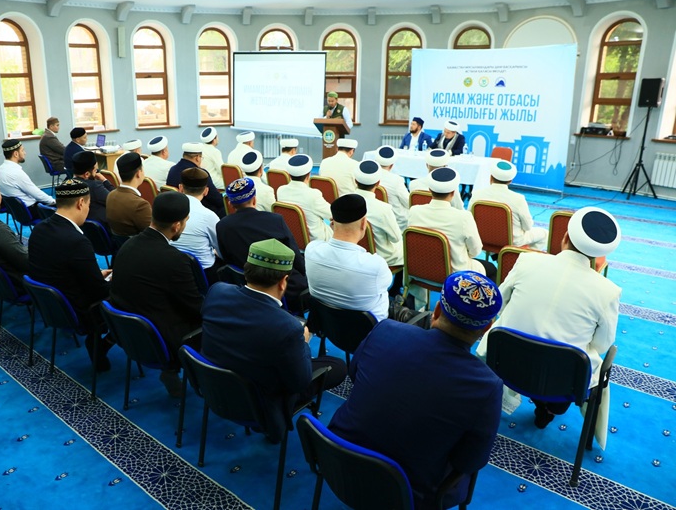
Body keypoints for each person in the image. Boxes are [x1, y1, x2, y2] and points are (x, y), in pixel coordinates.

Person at [329, 271, 504, 510]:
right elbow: (470, 461)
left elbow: (354, 373)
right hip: (408, 495)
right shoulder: (487, 386)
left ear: (437, 310)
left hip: (335, 458)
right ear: (487, 328)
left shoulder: (384, 330)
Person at [476, 207, 622, 429]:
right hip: (562, 382)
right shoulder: (608, 291)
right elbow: (602, 345)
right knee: (575, 364)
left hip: (505, 363)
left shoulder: (526, 261)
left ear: (565, 237)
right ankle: (550, 407)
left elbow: (499, 303)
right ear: (600, 256)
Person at [201, 239, 347, 443]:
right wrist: (303, 343)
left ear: (247, 271)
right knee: (338, 366)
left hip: (215, 388)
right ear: (283, 281)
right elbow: (300, 382)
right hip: (262, 405)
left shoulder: (217, 291)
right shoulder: (287, 328)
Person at [110, 192, 204, 396]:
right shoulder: (175, 260)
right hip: (162, 338)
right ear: (177, 226)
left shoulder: (128, 245)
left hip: (129, 332)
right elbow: (195, 308)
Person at [28, 178, 113, 371]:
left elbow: (58, 269)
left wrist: (95, 274)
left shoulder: (40, 229)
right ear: (81, 203)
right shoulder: (77, 241)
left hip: (53, 306)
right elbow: (99, 292)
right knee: (132, 294)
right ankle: (104, 343)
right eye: (89, 205)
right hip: (81, 311)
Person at [217, 178, 309, 311]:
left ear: (230, 203)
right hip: (282, 286)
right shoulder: (275, 220)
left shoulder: (222, 226)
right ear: (254, 199)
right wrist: (304, 275)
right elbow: (295, 256)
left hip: (246, 284)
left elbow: (227, 257)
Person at [305, 194, 393, 321]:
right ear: (364, 223)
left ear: (332, 223)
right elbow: (386, 284)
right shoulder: (375, 266)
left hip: (328, 325)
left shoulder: (311, 251)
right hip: (373, 330)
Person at [407, 167, 493, 278]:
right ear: (453, 192)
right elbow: (475, 251)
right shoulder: (463, 217)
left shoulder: (414, 211)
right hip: (454, 278)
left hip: (420, 272)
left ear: (430, 190)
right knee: (490, 269)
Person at [468, 160, 548, 250]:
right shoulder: (518, 199)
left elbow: (469, 219)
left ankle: (496, 255)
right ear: (510, 181)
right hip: (512, 242)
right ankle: (519, 257)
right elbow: (527, 226)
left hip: (482, 238)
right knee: (545, 234)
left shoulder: (477, 194)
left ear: (491, 177)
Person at [171, 167, 222, 283]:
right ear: (206, 191)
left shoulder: (169, 210)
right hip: (203, 274)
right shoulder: (210, 216)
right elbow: (221, 250)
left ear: (180, 188)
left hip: (171, 269)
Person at [352, 161, 403, 267]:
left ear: (355, 181)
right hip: (382, 257)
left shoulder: (344, 200)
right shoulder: (383, 209)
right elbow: (396, 238)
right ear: (378, 183)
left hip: (355, 252)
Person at [278, 154, 333, 242]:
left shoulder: (280, 190)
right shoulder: (313, 194)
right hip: (315, 241)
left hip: (291, 239)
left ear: (289, 175)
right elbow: (332, 214)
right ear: (308, 175)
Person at [0, 139, 55, 219]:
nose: (25, 153)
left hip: (17, 212)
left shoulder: (0, 170)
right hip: (31, 211)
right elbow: (36, 193)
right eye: (22, 150)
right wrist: (53, 201)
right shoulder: (16, 173)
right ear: (16, 154)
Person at [166, 142, 225, 218]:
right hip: (201, 212)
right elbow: (216, 199)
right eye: (201, 158)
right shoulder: (200, 174)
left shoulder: (172, 170)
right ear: (197, 157)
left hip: (178, 210)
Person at [105, 151, 151, 241]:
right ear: (139, 173)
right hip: (138, 247)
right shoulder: (140, 205)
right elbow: (154, 235)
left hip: (120, 247)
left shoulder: (110, 195)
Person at [72, 150, 115, 227]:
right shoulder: (94, 186)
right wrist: (105, 180)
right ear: (87, 174)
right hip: (102, 229)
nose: (97, 174)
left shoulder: (67, 184)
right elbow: (116, 200)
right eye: (95, 171)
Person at [373, 145, 410, 228]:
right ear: (392, 165)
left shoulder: (370, 176)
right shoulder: (396, 180)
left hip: (376, 218)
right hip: (397, 221)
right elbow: (408, 202)